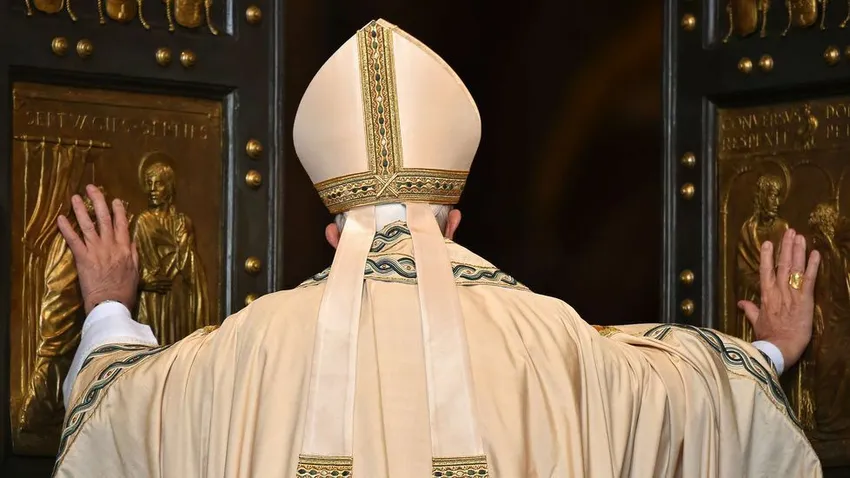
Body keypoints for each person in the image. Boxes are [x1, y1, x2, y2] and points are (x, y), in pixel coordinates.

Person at [52, 19, 821, 477]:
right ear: (454, 224)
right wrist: (770, 351)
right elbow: (680, 403)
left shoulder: (247, 348)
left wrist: (110, 307)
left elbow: (125, 412)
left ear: (334, 234)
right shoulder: (549, 338)